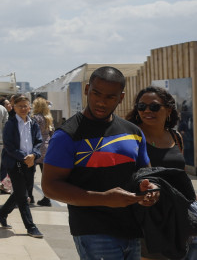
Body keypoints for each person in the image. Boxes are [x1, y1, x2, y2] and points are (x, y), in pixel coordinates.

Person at [42, 66, 159, 260]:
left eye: (110, 97)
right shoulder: (67, 135)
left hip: (133, 229)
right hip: (93, 231)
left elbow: (145, 175)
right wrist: (104, 198)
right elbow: (50, 187)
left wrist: (150, 188)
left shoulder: (133, 132)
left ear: (120, 98)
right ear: (87, 90)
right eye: (96, 94)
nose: (101, 102)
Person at [125, 86, 195, 260]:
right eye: (141, 107)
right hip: (146, 216)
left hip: (175, 214)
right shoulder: (130, 136)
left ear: (168, 109)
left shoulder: (175, 136)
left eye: (154, 106)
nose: (147, 111)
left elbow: (179, 173)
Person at [0, 95, 44, 238]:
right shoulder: (11, 124)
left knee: (23, 190)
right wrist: (23, 157)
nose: (23, 109)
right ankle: (31, 227)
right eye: (19, 106)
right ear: (13, 107)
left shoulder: (33, 123)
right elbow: (8, 146)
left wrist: (34, 155)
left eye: (25, 106)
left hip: (30, 161)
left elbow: (38, 141)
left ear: (29, 107)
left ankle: (2, 214)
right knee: (23, 197)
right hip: (15, 162)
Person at [32, 96, 54, 206]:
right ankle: (47, 198)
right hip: (47, 146)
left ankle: (29, 197)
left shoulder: (35, 118)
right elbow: (52, 133)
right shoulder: (48, 118)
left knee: (30, 173)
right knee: (45, 175)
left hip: (37, 147)